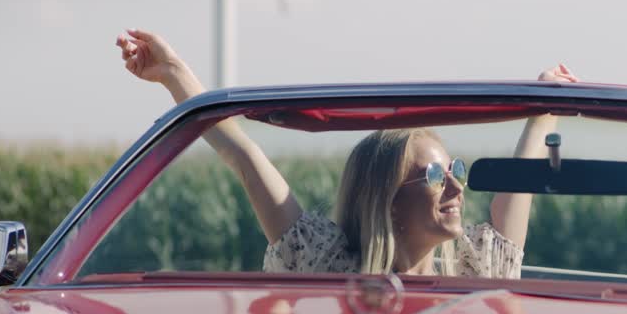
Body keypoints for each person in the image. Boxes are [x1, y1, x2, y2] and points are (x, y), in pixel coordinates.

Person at [116, 28, 576, 278]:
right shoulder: (324, 264)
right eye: (437, 176)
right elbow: (245, 159)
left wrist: (547, 102)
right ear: (386, 199)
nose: (457, 186)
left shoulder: (479, 267)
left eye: (454, 170)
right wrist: (174, 74)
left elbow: (524, 175)